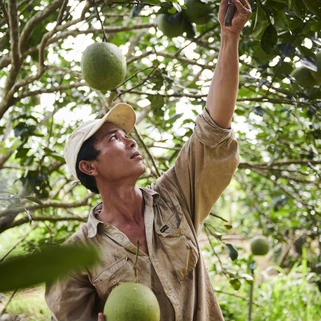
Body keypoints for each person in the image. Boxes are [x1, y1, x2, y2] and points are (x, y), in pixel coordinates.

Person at [45, 0, 252, 320]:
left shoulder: (176, 197)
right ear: (89, 166)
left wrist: (230, 37)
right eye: (113, 138)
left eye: (126, 134)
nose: (129, 139)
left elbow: (213, 128)